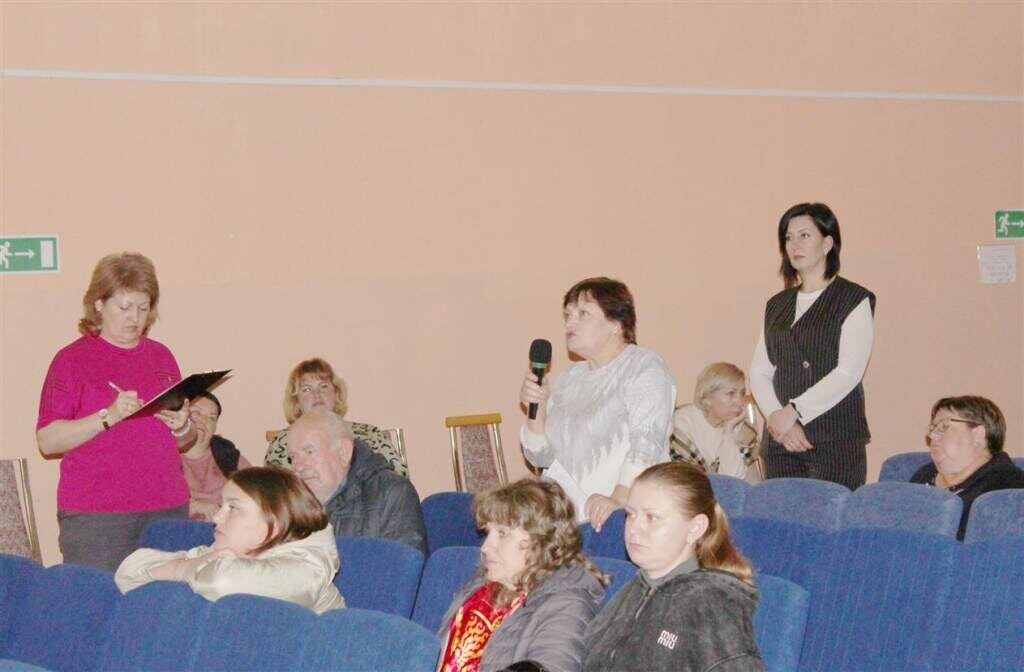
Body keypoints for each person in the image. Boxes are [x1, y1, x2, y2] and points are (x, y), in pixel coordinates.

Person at [36, 252, 196, 571]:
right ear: (99, 304)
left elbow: (185, 440)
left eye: (143, 308)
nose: (134, 317)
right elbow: (47, 441)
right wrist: (107, 416)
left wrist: (181, 427)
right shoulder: (71, 360)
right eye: (124, 307)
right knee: (100, 598)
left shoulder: (162, 357)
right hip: (97, 516)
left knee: (167, 599)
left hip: (167, 507)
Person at [519, 277, 676, 531]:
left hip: (621, 516)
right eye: (568, 315)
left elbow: (646, 445)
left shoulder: (644, 367)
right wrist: (535, 411)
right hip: (563, 518)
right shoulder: (570, 378)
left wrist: (618, 500)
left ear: (616, 323)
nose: (570, 322)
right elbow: (540, 457)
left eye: (583, 313)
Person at [583, 462, 763, 672]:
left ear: (695, 528)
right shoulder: (631, 591)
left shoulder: (712, 607)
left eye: (652, 517)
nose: (634, 528)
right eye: (631, 514)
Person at [749, 202, 876, 489]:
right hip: (781, 441)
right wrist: (777, 418)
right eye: (788, 238)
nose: (794, 244)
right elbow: (759, 371)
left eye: (804, 235)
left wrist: (794, 411)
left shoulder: (853, 299)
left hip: (834, 438)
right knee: (782, 514)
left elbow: (849, 373)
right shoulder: (777, 305)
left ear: (827, 243)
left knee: (829, 514)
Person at [115, 467, 345, 614]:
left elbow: (220, 581)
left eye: (233, 508)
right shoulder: (228, 552)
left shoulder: (307, 570)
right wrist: (193, 565)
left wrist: (178, 569)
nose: (217, 517)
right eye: (221, 506)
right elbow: (127, 572)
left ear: (275, 520)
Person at [437, 478, 607, 672]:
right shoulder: (478, 589)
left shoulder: (568, 604)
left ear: (540, 540)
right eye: (488, 532)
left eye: (502, 533)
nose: (485, 547)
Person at [287, 409, 427, 554]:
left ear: (343, 452)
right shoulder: (288, 506)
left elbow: (403, 565)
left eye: (309, 452)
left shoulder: (392, 493)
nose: (298, 467)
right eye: (293, 457)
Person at [264, 357, 407, 477]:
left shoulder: (370, 434)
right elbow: (274, 493)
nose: (317, 394)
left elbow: (399, 479)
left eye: (323, 386)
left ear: (336, 394)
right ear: (296, 402)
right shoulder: (282, 443)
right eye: (307, 389)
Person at [911, 396, 1024, 540]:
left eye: (943, 427)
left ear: (978, 435)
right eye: (932, 428)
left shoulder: (1008, 490)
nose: (932, 436)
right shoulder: (923, 475)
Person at [671, 363, 761, 483]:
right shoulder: (682, 425)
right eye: (731, 393)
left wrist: (728, 432)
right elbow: (688, 482)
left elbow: (733, 482)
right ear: (707, 397)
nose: (739, 402)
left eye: (742, 393)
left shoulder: (745, 433)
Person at [181, 391, 251, 521]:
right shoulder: (162, 456)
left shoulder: (229, 456)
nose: (204, 420)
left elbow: (256, 497)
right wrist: (190, 507)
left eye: (212, 418)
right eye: (196, 412)